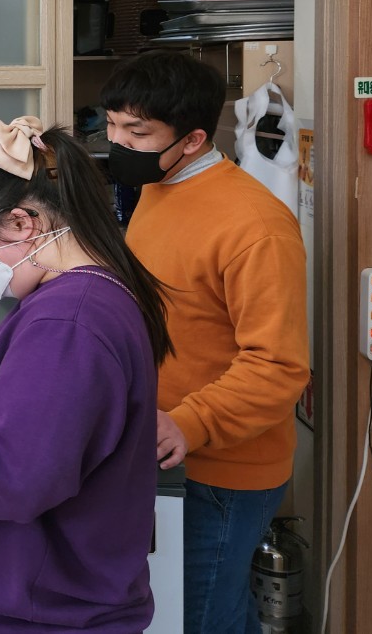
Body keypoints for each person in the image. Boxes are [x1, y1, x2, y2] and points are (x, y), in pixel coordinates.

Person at [0, 116, 173, 634]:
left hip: (40, 615)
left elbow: (7, 480)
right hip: (50, 603)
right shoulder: (91, 294)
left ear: (23, 224)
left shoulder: (67, 323)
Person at [100, 49, 309, 634]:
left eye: (136, 131)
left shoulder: (254, 226)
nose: (117, 142)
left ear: (193, 139)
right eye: (112, 125)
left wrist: (189, 424)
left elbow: (278, 366)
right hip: (161, 450)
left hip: (221, 471)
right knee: (192, 610)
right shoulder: (160, 187)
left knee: (202, 617)